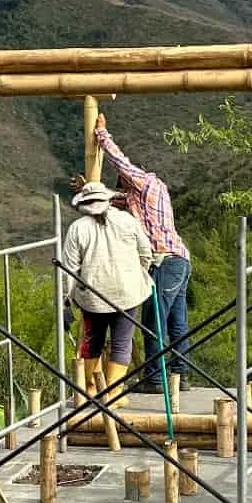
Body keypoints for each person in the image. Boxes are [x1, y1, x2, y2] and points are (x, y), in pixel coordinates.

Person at [95, 115, 191, 392]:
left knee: (154, 320)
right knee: (177, 322)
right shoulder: (150, 193)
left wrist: (102, 134)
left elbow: (120, 161)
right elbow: (112, 199)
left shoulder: (144, 183)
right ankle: (179, 375)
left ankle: (156, 379)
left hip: (164, 260)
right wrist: (89, 191)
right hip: (180, 259)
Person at [59, 180, 154, 429]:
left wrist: (64, 302)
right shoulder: (127, 220)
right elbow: (146, 252)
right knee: (121, 342)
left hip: (93, 295)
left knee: (93, 342)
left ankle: (92, 389)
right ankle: (112, 395)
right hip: (128, 292)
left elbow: (68, 269)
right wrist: (137, 273)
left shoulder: (78, 229)